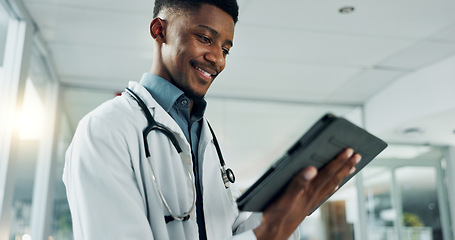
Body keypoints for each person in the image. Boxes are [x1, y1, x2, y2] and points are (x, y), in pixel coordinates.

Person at [62, 0, 362, 239]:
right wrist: (267, 233)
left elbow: (224, 229)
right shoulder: (105, 129)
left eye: (226, 49)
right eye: (205, 38)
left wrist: (290, 210)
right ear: (159, 30)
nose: (218, 59)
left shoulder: (203, 135)